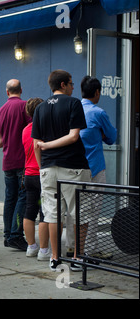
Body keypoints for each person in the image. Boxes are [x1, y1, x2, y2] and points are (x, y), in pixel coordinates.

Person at [31, 69, 91, 272]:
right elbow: (74, 136)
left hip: (48, 169)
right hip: (73, 166)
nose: (74, 87)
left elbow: (35, 143)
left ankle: (55, 258)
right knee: (79, 213)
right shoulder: (73, 104)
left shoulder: (40, 108)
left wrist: (42, 166)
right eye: (72, 83)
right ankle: (76, 257)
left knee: (53, 215)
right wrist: (48, 147)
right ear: (63, 85)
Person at [79, 76, 117, 258]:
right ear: (96, 92)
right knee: (93, 210)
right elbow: (111, 137)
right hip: (94, 168)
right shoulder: (98, 113)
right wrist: (100, 133)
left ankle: (74, 247)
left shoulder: (74, 109)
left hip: (75, 168)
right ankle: (90, 249)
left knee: (76, 210)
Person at [0, 79, 30, 251]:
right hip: (23, 161)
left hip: (7, 161)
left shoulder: (0, 112)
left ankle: (7, 235)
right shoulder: (26, 107)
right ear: (21, 90)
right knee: (23, 197)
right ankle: (16, 235)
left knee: (10, 198)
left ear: (7, 92)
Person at [22, 98, 50, 261]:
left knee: (29, 211)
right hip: (42, 174)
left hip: (28, 175)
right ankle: (44, 250)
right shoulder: (45, 130)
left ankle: (31, 246)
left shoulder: (26, 130)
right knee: (45, 213)